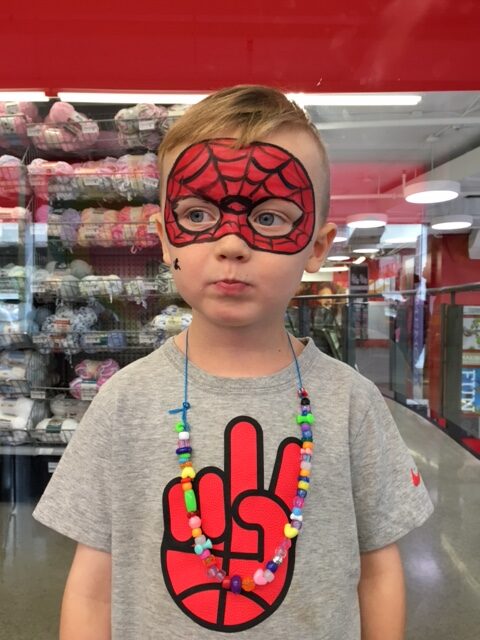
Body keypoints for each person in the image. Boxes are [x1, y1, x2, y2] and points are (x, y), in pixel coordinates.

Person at [33, 85, 433, 640]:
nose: (231, 243)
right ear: (162, 236)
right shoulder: (122, 402)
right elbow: (90, 584)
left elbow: (380, 571)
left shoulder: (351, 403)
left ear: (317, 248)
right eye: (198, 214)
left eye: (269, 219)